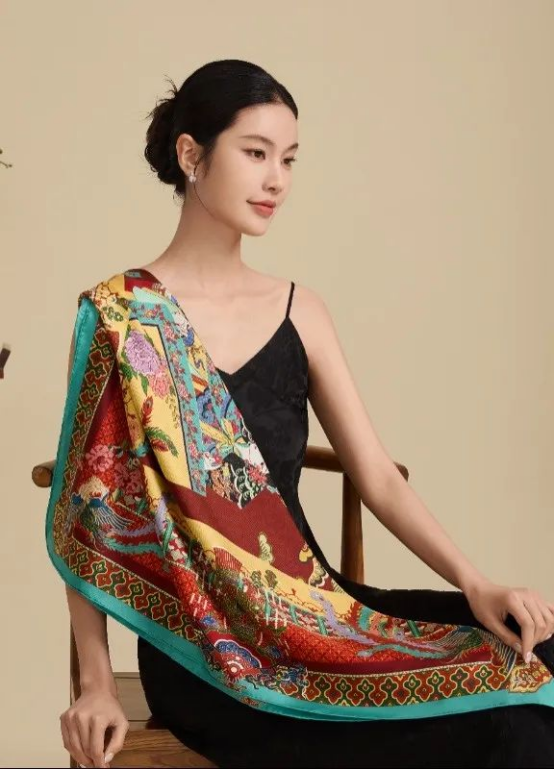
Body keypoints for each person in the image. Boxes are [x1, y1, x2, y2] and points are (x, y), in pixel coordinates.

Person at [56, 59, 554, 769]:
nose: (277, 180)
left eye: (288, 159)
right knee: (511, 728)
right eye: (255, 153)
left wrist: (475, 583)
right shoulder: (121, 319)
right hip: (205, 652)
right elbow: (90, 516)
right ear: (191, 155)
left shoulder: (300, 311)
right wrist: (97, 686)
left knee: (542, 655)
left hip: (316, 614)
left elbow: (377, 478)